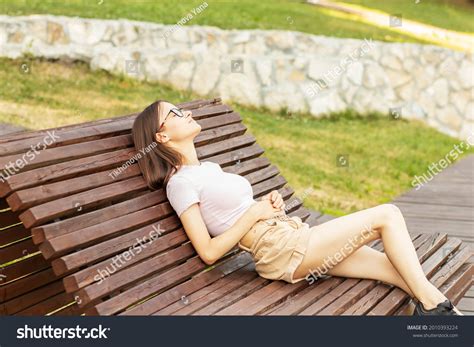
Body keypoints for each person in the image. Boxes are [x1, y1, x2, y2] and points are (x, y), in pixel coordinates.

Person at [131, 100, 462, 316]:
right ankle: (440, 313)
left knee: (398, 271)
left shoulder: (209, 169)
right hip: (282, 252)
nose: (185, 112)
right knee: (388, 215)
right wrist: (254, 214)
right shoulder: (179, 184)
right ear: (160, 138)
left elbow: (239, 212)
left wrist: (267, 205)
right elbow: (208, 251)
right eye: (174, 114)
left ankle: (447, 321)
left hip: (293, 237)